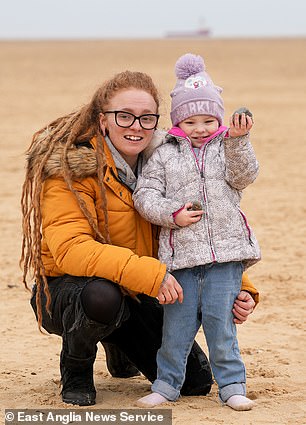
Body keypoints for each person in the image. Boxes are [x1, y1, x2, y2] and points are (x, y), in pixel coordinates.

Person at [20, 67, 259, 407]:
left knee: (195, 383)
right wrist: (150, 275)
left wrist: (239, 285)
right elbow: (72, 250)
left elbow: (194, 234)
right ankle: (77, 365)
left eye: (147, 118)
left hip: (139, 287)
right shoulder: (69, 169)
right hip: (70, 291)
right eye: (124, 116)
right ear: (103, 119)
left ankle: (119, 343)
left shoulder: (165, 165)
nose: (136, 127)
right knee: (102, 297)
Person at [133, 54, 261, 411]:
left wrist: (238, 140)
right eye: (191, 120)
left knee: (222, 328)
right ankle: (166, 385)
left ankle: (233, 385)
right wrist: (172, 215)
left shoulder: (227, 148)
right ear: (178, 121)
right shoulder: (164, 154)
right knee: (176, 330)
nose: (201, 128)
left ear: (219, 118)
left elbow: (244, 176)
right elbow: (145, 196)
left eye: (208, 120)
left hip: (225, 258)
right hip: (182, 260)